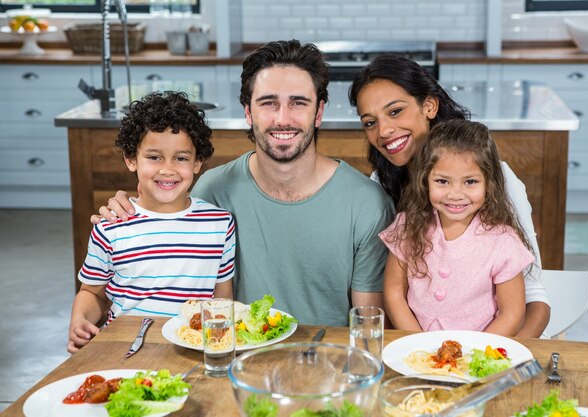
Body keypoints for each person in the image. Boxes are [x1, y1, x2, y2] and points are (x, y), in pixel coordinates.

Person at [92, 40, 395, 327]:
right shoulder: (211, 191)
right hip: (232, 367)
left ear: (319, 112)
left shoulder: (367, 204)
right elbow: (160, 246)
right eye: (268, 103)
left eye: (298, 103)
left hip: (329, 369)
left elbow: (367, 325)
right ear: (248, 113)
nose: (282, 118)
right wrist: (128, 207)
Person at [349, 55, 550, 337]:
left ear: (429, 105)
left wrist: (491, 364)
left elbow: (534, 297)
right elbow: (389, 289)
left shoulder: (497, 179)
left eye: (395, 111)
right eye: (370, 122)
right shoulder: (379, 185)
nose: (384, 131)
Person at [69, 91, 236, 353]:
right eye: (154, 157)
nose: (167, 169)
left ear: (197, 162)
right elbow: (92, 292)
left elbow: (223, 299)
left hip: (191, 351)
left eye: (180, 158)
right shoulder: (111, 225)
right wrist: (80, 321)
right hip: (126, 350)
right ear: (131, 159)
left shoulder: (220, 224)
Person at [380, 120, 533, 335]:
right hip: (417, 351)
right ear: (425, 181)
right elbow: (394, 292)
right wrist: (416, 342)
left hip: (476, 355)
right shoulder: (407, 227)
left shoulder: (503, 241)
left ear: (489, 183)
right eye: (443, 181)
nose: (455, 194)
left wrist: (475, 352)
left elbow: (512, 314)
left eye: (470, 182)